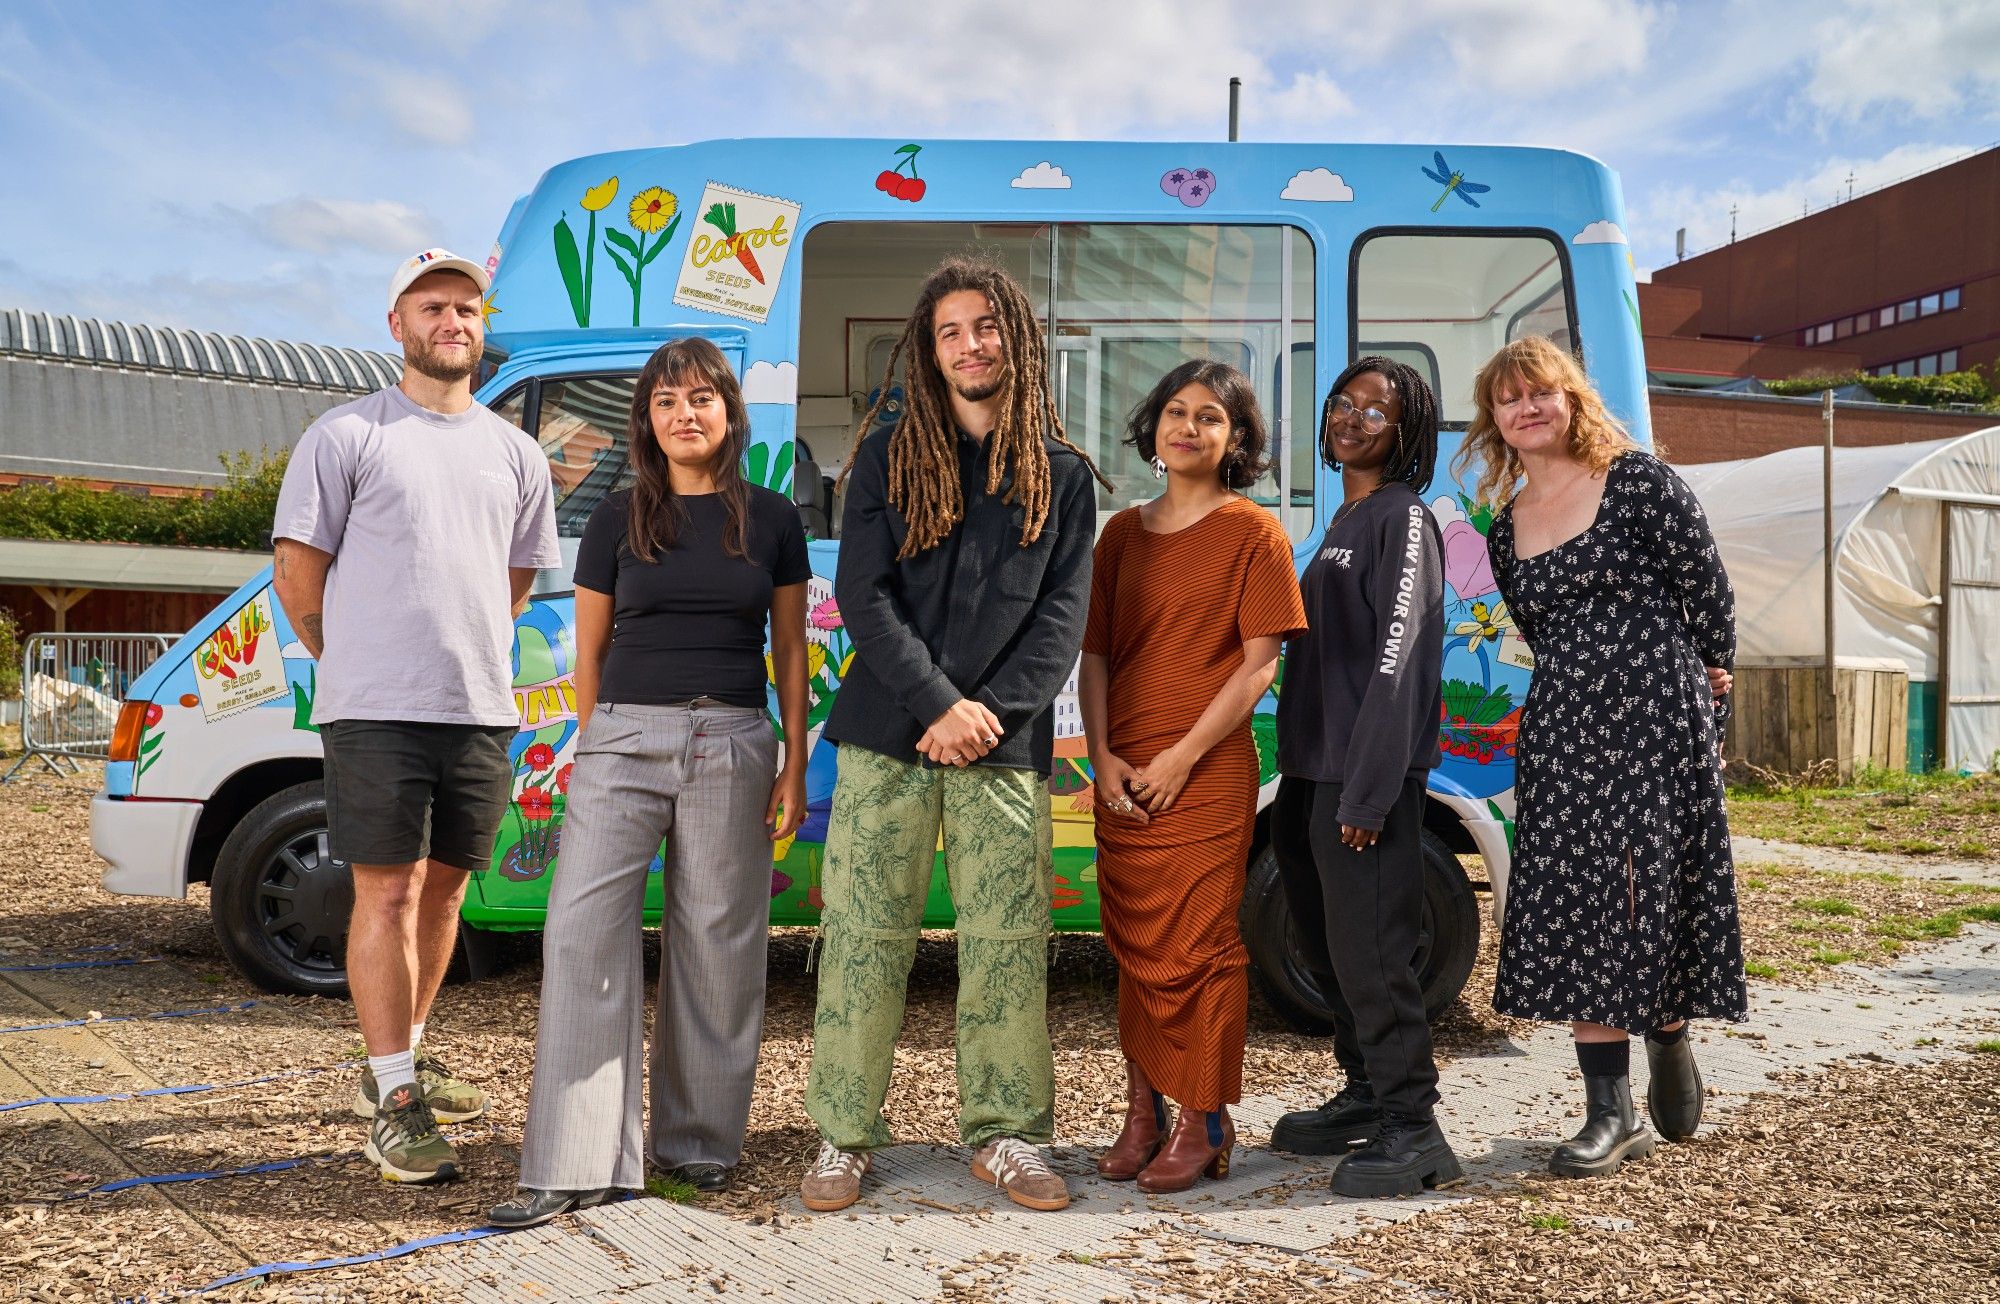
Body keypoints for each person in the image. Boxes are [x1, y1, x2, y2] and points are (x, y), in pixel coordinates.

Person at [798, 254, 1107, 1214]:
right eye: (950, 332)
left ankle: (1009, 1134)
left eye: (986, 327)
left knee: (1009, 939)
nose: (971, 345)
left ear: (1015, 338)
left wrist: (988, 717)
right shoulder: (888, 456)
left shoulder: (1063, 476)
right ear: (929, 355)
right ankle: (843, 1136)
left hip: (1004, 748)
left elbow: (1064, 619)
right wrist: (938, 705)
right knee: (861, 936)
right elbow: (864, 594)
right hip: (889, 731)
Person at [488, 339, 810, 1228]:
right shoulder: (617, 517)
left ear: (730, 413)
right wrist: (596, 741)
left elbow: (789, 649)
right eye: (667, 401)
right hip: (624, 738)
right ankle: (574, 1158)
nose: (685, 414)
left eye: (702, 397)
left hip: (735, 740)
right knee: (584, 930)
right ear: (648, 421)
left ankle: (697, 1144)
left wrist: (793, 759)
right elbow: (587, 648)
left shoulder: (773, 519)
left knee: (718, 940)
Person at [272, 249, 561, 1185]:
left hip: (479, 708)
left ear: (484, 326)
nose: (454, 322)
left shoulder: (517, 454)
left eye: (468, 309)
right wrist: (353, 659)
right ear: (396, 325)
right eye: (433, 307)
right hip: (375, 708)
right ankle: (393, 1098)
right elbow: (296, 576)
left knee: (446, 891)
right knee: (385, 893)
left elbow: (513, 584)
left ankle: (404, 1057)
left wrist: (458, 654)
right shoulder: (348, 435)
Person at [1464, 334, 1743, 1178]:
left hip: (1659, 723)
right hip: (1564, 731)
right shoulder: (1505, 526)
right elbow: (1538, 630)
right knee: (1578, 901)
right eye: (1510, 399)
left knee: (1648, 887)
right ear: (1495, 421)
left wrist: (1703, 715)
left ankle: (1669, 1032)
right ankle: (1607, 1110)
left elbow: (1712, 605)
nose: (1527, 407)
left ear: (1572, 398)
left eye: (1541, 391)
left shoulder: (1643, 485)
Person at [1080, 361, 1305, 1193]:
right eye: (1175, 411)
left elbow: (1257, 670)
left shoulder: (1256, 534)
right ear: (1154, 429)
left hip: (1203, 772)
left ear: (1237, 438)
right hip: (1123, 768)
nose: (1188, 427)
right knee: (1134, 947)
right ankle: (1142, 1111)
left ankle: (1204, 1119)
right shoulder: (1121, 536)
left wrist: (1180, 758)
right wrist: (1102, 756)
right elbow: (1095, 652)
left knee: (1200, 948)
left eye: (1210, 417)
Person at [1267, 357, 1464, 1198]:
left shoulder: (1402, 519)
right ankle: (1365, 1094)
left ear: (1406, 430)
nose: (1352, 418)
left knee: (1376, 957)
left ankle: (1415, 1132)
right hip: (1310, 776)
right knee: (1332, 951)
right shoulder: (1346, 516)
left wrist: (1371, 790)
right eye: (1343, 404)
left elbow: (1401, 659)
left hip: (1360, 784)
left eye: (1374, 412)